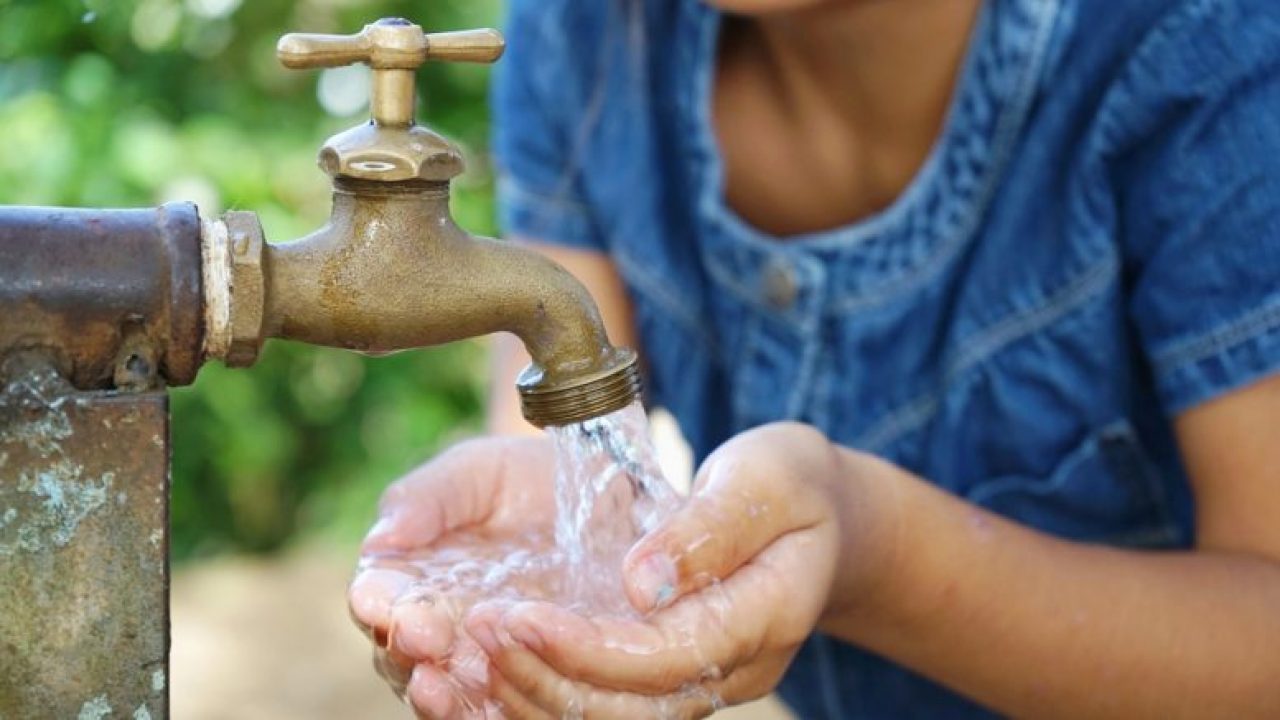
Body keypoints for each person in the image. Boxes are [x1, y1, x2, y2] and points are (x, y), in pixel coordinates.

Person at [349, 0, 1280, 716]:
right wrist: (531, 580)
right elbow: (560, 402)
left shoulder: (1204, 52)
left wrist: (875, 551)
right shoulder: (585, 35)